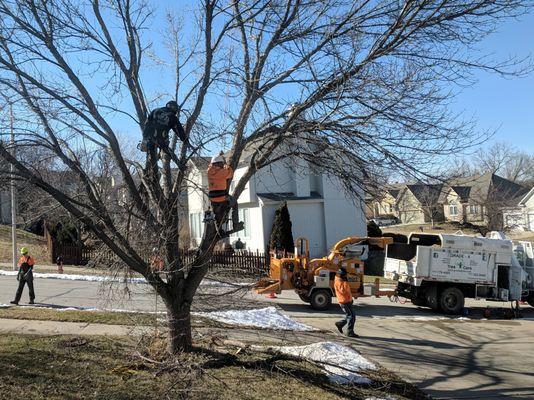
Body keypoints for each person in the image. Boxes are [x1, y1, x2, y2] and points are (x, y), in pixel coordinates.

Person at [207, 153, 243, 233]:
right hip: (222, 197)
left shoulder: (209, 171)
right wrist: (227, 165)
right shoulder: (221, 172)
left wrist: (218, 156)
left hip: (213, 198)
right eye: (221, 164)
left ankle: (219, 231)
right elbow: (230, 174)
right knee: (234, 204)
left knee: (217, 216)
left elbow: (211, 165)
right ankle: (235, 224)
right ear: (218, 164)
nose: (222, 165)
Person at [334, 267, 358, 338]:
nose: (346, 276)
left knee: (349, 316)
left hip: (347, 300)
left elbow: (347, 292)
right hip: (344, 301)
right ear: (341, 275)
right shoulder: (340, 281)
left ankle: (340, 324)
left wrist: (350, 299)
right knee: (352, 316)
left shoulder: (340, 280)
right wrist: (345, 282)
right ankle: (350, 332)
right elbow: (343, 291)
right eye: (344, 275)